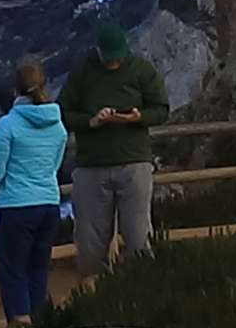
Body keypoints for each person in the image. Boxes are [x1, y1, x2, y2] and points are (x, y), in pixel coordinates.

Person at [59, 21, 168, 276]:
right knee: (89, 241)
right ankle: (95, 292)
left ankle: (139, 289)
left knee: (139, 234)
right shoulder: (82, 73)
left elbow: (161, 109)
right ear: (98, 51)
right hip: (91, 166)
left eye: (117, 59)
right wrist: (91, 121)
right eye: (109, 59)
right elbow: (62, 113)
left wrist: (138, 117)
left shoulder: (142, 70)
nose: (113, 63)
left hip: (134, 163)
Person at [0, 61, 69, 328]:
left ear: (15, 88)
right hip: (49, 204)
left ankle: (20, 325)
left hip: (17, 206)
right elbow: (55, 165)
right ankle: (39, 321)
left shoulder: (8, 125)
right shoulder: (57, 125)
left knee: (13, 270)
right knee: (38, 268)